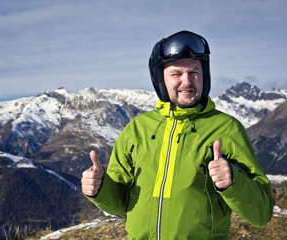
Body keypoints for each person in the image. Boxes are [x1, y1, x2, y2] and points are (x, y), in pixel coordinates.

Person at [81, 30, 273, 239]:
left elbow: (261, 214)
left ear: (204, 75)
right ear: (161, 79)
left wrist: (233, 182)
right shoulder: (137, 129)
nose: (187, 81)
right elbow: (119, 204)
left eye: (194, 72)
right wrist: (100, 188)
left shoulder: (226, 129)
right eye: (176, 74)